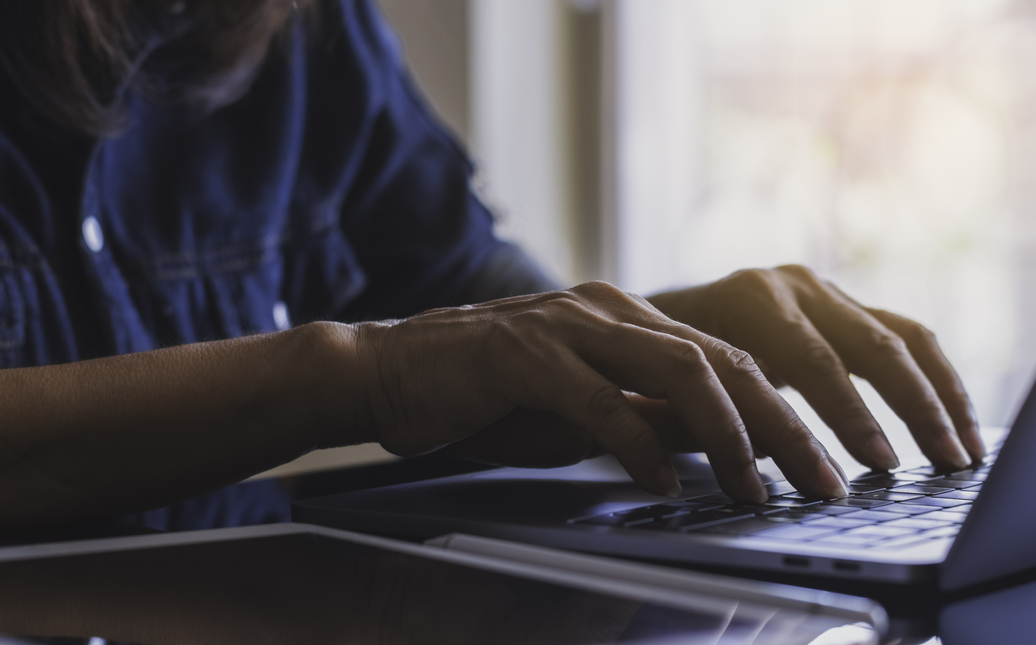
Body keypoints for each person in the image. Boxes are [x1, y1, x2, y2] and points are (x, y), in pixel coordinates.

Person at [0, 0, 985, 533]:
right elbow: (402, 361)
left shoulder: (303, 26)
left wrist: (646, 336)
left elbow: (456, 283)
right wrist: (361, 376)